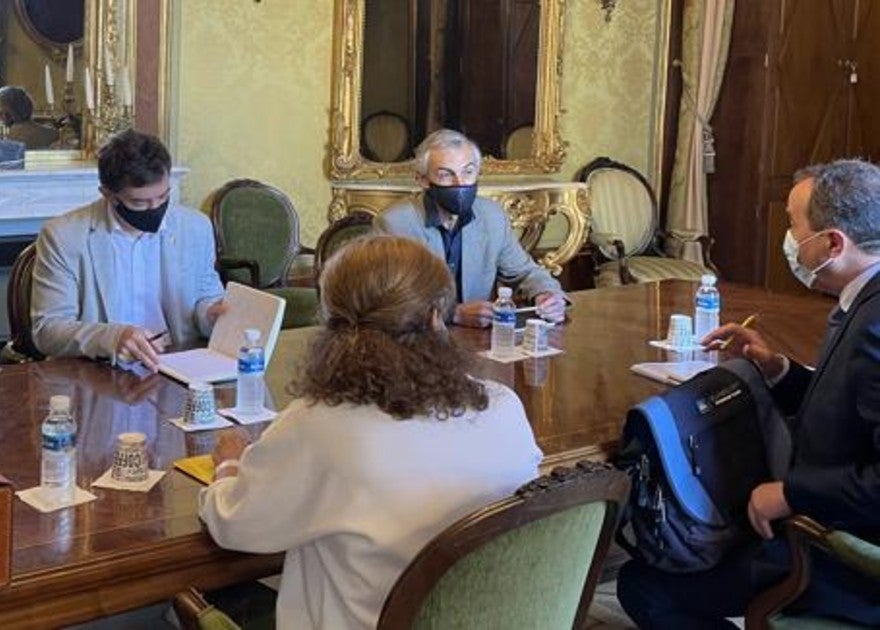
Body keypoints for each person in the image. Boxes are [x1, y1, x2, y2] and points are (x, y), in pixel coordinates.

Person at [198, 235, 543, 630]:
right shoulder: (502, 406)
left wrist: (227, 466)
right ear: (435, 317)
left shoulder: (318, 426)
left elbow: (234, 526)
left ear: (331, 321)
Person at [618, 160, 880, 628]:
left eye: (793, 226)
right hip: (822, 518)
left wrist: (789, 494)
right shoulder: (863, 299)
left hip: (840, 553)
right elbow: (845, 414)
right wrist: (776, 368)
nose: (790, 241)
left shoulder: (875, 323)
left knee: (645, 587)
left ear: (833, 243)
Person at [31, 129, 225, 370]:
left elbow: (206, 298)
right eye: (139, 203)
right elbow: (47, 330)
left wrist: (212, 314)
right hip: (99, 371)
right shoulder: (64, 235)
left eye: (163, 198)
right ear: (108, 195)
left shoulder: (195, 227)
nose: (155, 209)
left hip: (176, 364)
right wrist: (112, 338)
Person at [375, 129, 567, 327]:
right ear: (423, 180)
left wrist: (546, 294)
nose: (460, 183)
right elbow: (387, 302)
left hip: (477, 340)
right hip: (416, 338)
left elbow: (525, 273)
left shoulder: (492, 216)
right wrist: (453, 314)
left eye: (468, 172)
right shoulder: (395, 223)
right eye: (446, 175)